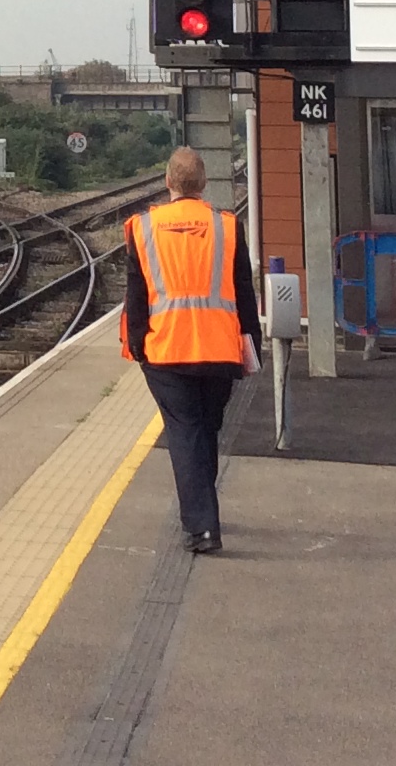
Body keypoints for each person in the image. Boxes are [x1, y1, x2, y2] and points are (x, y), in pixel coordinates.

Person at [119, 145, 259, 554]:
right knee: (205, 428)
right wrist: (251, 348)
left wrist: (139, 345)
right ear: (203, 184)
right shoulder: (228, 227)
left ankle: (202, 528)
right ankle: (204, 511)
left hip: (167, 350)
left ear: (168, 182)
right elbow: (245, 293)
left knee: (185, 432)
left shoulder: (141, 228)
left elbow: (136, 296)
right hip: (220, 350)